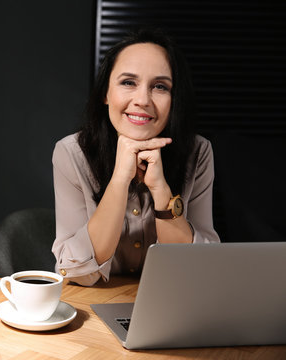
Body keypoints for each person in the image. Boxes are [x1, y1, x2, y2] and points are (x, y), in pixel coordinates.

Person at [51, 28, 220, 286]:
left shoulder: (198, 152)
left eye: (160, 86)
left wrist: (160, 189)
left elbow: (202, 269)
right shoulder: (71, 153)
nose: (142, 100)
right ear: (106, 94)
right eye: (128, 82)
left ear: (174, 100)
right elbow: (75, 272)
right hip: (96, 303)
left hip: (169, 303)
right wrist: (120, 179)